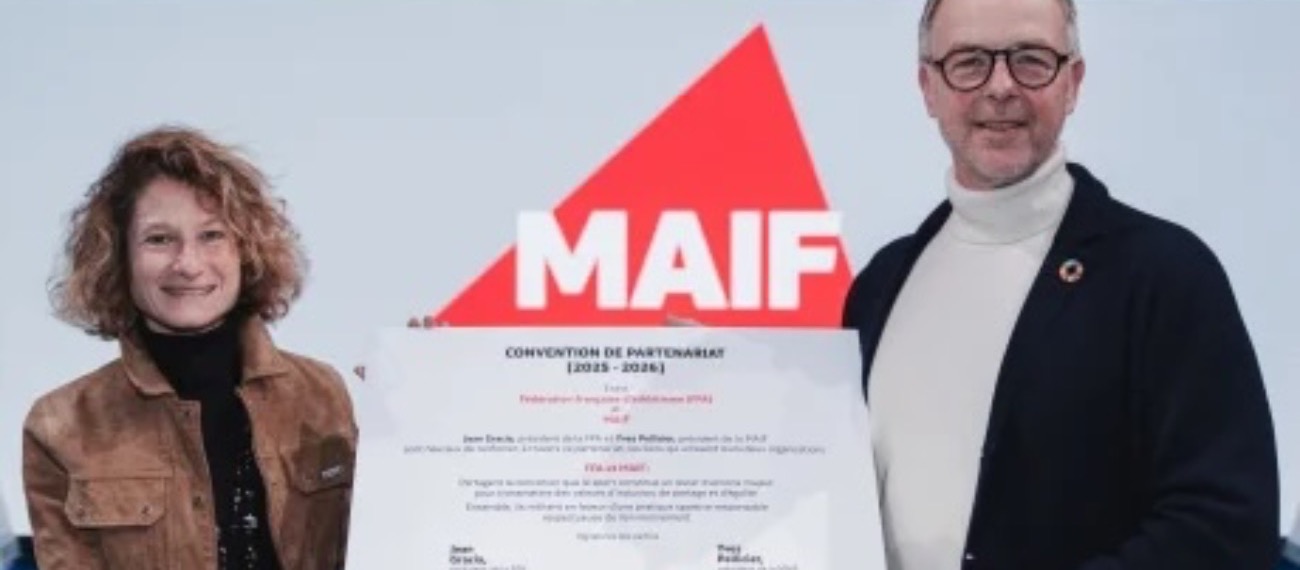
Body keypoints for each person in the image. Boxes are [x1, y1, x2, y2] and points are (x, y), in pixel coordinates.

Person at [840, 0, 1280, 568]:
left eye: (1030, 59)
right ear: (928, 88)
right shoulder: (878, 287)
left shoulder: (1166, 277)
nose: (1001, 86)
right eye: (968, 62)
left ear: (1073, 82)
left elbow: (1225, 526)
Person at [22, 126, 358, 569]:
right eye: (159, 239)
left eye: (211, 235)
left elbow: (405, 532)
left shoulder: (324, 395)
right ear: (119, 258)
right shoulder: (60, 425)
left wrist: (425, 382)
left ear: (246, 250)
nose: (188, 264)